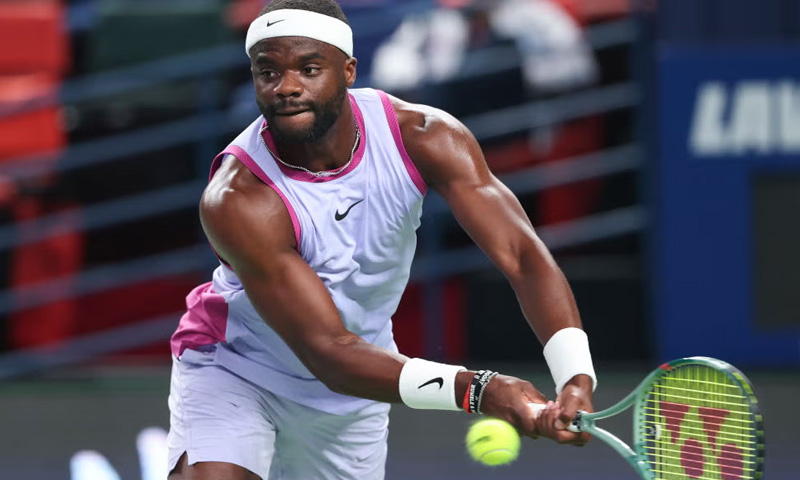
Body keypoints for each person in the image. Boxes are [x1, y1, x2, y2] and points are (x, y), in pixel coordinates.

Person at [167, 1, 597, 479]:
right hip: (239, 369)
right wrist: (480, 389)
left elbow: (521, 256)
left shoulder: (426, 136)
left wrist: (575, 376)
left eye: (309, 69)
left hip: (357, 386)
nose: (286, 87)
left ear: (348, 71)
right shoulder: (237, 198)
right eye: (268, 71)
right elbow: (328, 349)